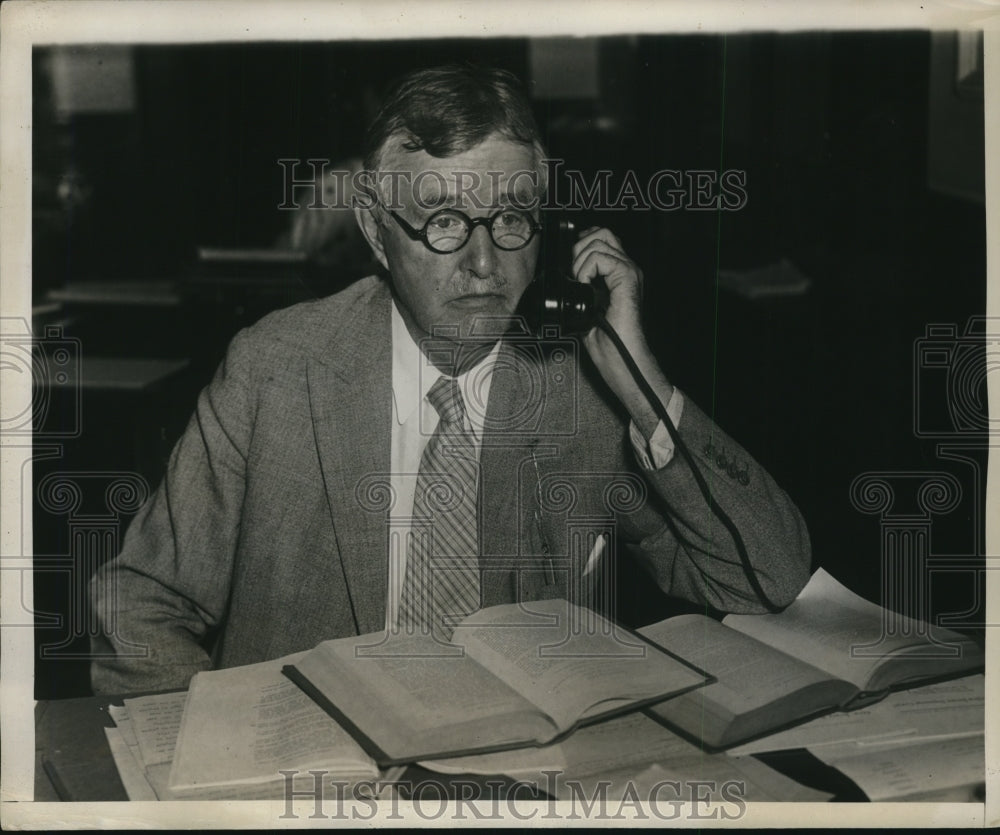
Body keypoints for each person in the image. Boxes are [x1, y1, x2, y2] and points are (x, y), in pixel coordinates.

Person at [90, 65, 811, 694]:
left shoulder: (583, 390)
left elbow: (764, 577)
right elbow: (139, 598)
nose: (484, 264)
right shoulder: (276, 371)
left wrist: (641, 384)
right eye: (443, 222)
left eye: (511, 219)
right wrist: (218, 758)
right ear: (375, 232)